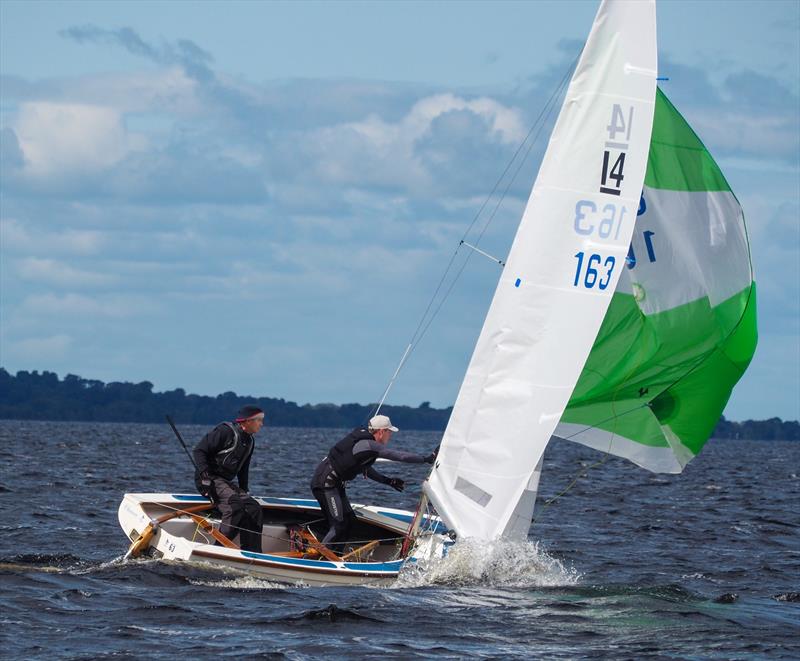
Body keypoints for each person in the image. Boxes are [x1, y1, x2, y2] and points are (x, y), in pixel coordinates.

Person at [310, 414, 437, 551]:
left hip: (335, 485)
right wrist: (427, 459)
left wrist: (388, 481)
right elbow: (400, 456)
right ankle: (319, 556)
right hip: (325, 485)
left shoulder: (367, 445)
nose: (390, 435)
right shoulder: (370, 445)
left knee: (350, 522)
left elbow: (366, 469)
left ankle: (335, 555)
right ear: (381, 431)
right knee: (338, 525)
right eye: (389, 432)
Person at [193, 405, 265, 553]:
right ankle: (219, 549)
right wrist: (204, 475)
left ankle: (252, 552)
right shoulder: (225, 432)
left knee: (254, 508)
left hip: (226, 483)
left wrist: (244, 490)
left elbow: (244, 468)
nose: (262, 424)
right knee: (234, 504)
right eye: (259, 420)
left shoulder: (250, 441)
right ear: (247, 421)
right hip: (209, 479)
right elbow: (199, 450)